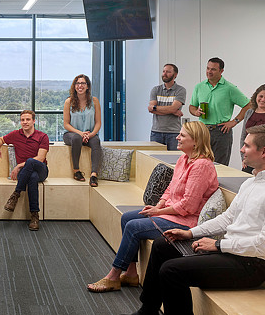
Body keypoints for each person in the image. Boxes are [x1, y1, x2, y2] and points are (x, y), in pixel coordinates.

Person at [116, 125, 265, 315]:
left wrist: (218, 244)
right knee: (163, 245)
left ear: (264, 151)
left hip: (250, 265)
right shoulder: (251, 183)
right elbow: (226, 219)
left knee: (172, 271)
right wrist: (190, 233)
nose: (242, 149)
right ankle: (148, 312)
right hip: (229, 251)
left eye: (247, 145)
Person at [87, 121, 218, 293]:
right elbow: (171, 188)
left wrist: (158, 212)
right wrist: (159, 205)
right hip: (170, 213)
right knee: (127, 217)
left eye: (182, 135)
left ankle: (113, 276)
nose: (177, 137)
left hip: (185, 222)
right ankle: (132, 273)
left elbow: (189, 206)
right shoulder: (184, 159)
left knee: (133, 227)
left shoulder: (201, 166)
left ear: (196, 141)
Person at [0, 110, 50, 231]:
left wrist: (19, 166)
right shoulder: (16, 134)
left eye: (28, 119)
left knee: (31, 162)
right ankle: (34, 216)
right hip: (27, 174)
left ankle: (16, 194)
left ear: (34, 121)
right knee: (32, 178)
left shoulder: (42, 136)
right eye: (23, 120)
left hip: (41, 170)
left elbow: (40, 158)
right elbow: (0, 139)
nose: (25, 122)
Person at [188, 57, 249, 167]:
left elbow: (248, 105)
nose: (209, 72)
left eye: (213, 69)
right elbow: (192, 106)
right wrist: (196, 112)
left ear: (221, 71)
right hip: (202, 131)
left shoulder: (229, 88)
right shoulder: (199, 87)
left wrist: (234, 121)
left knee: (220, 167)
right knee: (199, 165)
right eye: (207, 68)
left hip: (222, 132)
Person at [232, 84, 265, 173]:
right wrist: (243, 158)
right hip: (250, 160)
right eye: (261, 96)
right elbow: (243, 137)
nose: (263, 99)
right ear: (256, 96)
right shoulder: (249, 112)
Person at [62, 74, 103, 187]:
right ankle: (76, 171)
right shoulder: (68, 102)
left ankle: (94, 175)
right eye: (78, 83)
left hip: (89, 134)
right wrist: (80, 134)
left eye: (83, 83)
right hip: (71, 134)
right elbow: (66, 124)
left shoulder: (94, 101)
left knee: (96, 141)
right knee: (76, 138)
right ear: (74, 86)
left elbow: (98, 123)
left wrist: (91, 135)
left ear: (87, 86)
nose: (80, 86)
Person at [148, 64, 186, 150]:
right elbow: (151, 109)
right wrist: (173, 111)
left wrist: (156, 108)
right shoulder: (156, 90)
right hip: (156, 132)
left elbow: (154, 108)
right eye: (163, 71)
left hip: (174, 133)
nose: (165, 74)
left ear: (175, 75)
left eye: (168, 72)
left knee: (173, 160)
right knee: (155, 160)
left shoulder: (180, 90)